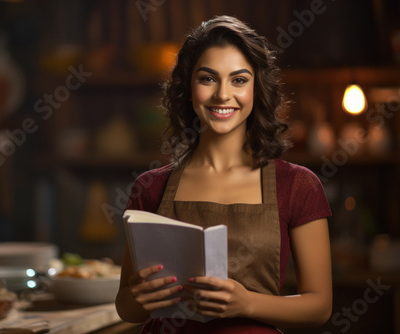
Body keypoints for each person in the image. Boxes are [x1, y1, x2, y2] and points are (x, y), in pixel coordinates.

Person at [115, 15, 332, 333]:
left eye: (239, 80)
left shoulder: (298, 185)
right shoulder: (150, 187)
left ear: (257, 89)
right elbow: (126, 307)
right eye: (208, 78)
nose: (222, 94)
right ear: (189, 87)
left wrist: (248, 303)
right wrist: (139, 298)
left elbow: (320, 306)